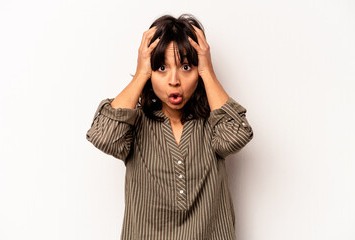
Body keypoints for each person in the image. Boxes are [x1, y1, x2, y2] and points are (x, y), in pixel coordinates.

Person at [86, 13, 254, 240]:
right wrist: (141, 73)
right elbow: (104, 136)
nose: (174, 80)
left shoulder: (212, 126)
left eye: (186, 68)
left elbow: (236, 136)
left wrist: (207, 70)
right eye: (161, 68)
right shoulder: (135, 125)